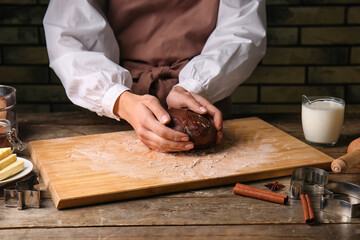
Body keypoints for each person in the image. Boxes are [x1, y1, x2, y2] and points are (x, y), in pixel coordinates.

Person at [43, 0, 266, 152]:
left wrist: (194, 86)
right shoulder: (117, 100)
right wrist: (118, 99)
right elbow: (69, 29)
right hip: (117, 109)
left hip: (202, 101)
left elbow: (242, 29)